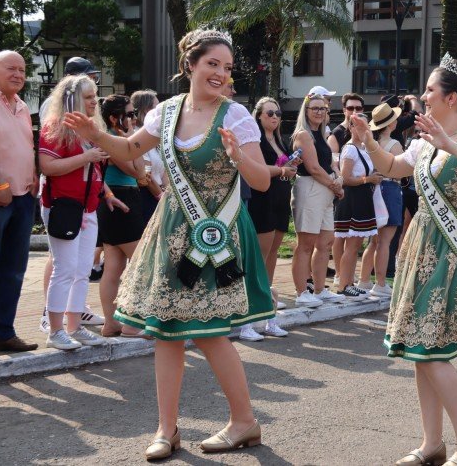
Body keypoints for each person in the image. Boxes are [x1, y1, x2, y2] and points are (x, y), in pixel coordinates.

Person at [64, 29, 275, 460]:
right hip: (171, 231)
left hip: (216, 234)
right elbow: (128, 147)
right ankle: (167, 429)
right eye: (212, 64)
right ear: (191, 65)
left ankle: (243, 421)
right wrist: (95, 133)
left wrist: (240, 158)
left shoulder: (236, 117)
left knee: (211, 333)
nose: (220, 73)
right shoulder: (166, 111)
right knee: (165, 333)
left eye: (227, 67)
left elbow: (262, 179)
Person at [351, 52, 457, 466]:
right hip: (423, 244)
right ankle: (431, 443)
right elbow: (391, 167)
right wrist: (367, 138)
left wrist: (449, 144)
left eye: (430, 89)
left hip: (454, 252)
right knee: (420, 350)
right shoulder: (422, 141)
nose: (422, 95)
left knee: (434, 350)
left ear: (451, 98)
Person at [38, 75, 109, 350]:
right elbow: (48, 166)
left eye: (95, 96)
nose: (95, 101)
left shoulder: (91, 129)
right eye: (89, 97)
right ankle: (56, 331)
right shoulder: (56, 126)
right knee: (65, 268)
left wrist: (107, 195)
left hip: (87, 206)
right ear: (73, 100)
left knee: (81, 270)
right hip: (64, 206)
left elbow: (95, 171)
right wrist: (86, 157)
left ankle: (74, 326)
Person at [241, 97, 296, 340]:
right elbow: (259, 169)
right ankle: (247, 321)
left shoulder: (280, 140)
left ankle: (267, 315)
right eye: (269, 113)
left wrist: (290, 165)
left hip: (280, 198)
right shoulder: (255, 141)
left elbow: (278, 167)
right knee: (258, 260)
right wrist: (282, 170)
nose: (274, 116)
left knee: (272, 255)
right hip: (263, 198)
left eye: (278, 113)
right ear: (259, 116)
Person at [96, 94, 148, 338]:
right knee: (142, 263)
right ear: (114, 118)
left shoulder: (118, 139)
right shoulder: (114, 140)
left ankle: (113, 322)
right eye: (128, 114)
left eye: (133, 113)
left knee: (114, 265)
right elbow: (138, 171)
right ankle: (131, 322)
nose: (133, 119)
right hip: (119, 199)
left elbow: (140, 171)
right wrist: (130, 140)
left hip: (122, 198)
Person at [0, 51, 39, 352]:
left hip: (24, 197)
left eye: (23, 70)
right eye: (11, 68)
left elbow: (27, 144)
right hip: (0, 196)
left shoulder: (22, 106)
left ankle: (4, 332)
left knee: (13, 269)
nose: (18, 74)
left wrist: (34, 173)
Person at [291, 93, 345, 306]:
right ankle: (301, 292)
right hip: (311, 188)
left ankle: (320, 289)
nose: (319, 112)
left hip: (325, 189)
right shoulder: (303, 135)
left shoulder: (320, 134)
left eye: (322, 108)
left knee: (325, 242)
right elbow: (313, 168)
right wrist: (334, 185)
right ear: (305, 111)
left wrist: (337, 182)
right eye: (315, 108)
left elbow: (329, 163)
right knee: (305, 244)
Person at [333, 109, 385, 299]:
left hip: (362, 198)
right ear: (352, 127)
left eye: (367, 126)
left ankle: (348, 283)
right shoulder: (350, 149)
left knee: (355, 245)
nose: (366, 129)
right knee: (352, 245)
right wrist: (368, 179)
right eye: (361, 125)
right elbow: (345, 178)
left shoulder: (362, 148)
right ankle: (344, 286)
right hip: (353, 199)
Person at [357, 102, 404, 298]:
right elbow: (402, 171)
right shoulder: (394, 144)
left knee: (374, 240)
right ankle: (381, 282)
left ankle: (364, 279)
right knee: (385, 240)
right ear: (391, 123)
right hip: (390, 187)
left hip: (374, 188)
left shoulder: (371, 144)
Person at [328, 93, 364, 284]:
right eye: (351, 108)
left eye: (358, 108)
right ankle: (339, 273)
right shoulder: (336, 134)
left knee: (354, 234)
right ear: (344, 110)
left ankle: (346, 272)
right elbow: (334, 164)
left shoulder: (363, 131)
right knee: (340, 233)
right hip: (342, 188)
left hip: (359, 190)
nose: (354, 112)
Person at [130, 89, 165, 223]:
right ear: (145, 111)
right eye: (156, 109)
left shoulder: (155, 137)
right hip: (148, 196)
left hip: (159, 194)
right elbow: (146, 175)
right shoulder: (138, 136)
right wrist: (161, 196)